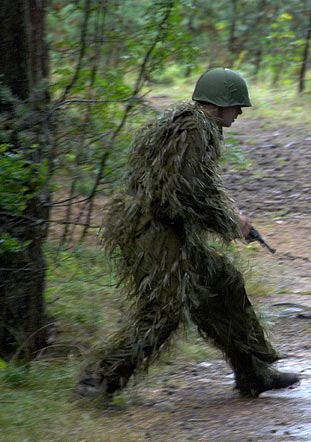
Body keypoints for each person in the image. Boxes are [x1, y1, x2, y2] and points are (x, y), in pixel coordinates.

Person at [73, 68, 299, 402]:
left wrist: (231, 215)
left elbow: (189, 185)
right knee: (165, 310)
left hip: (163, 225)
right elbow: (185, 192)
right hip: (152, 229)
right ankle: (97, 380)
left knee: (223, 281)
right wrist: (229, 221)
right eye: (237, 105)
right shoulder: (194, 128)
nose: (239, 112)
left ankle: (253, 372)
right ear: (220, 103)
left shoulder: (190, 125)